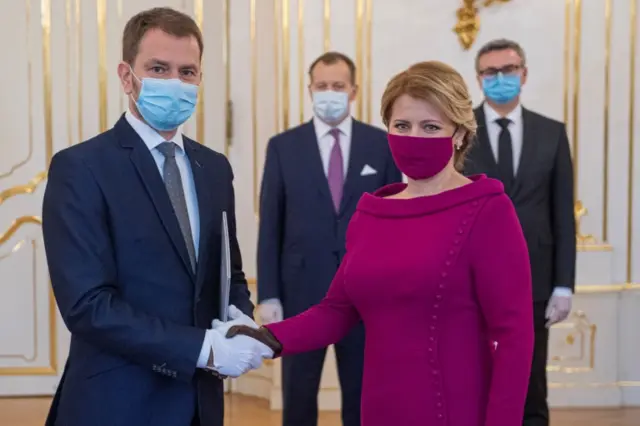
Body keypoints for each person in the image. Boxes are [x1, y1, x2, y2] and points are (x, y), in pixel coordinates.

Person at [227, 61, 535, 426]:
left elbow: (514, 336)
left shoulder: (487, 209)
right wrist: (267, 338)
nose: (414, 137)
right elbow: (337, 310)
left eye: (430, 126)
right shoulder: (373, 212)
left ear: (458, 134)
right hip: (380, 407)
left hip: (452, 409)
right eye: (402, 125)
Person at [42, 8, 268, 426]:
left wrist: (240, 317)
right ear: (127, 77)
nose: (175, 83)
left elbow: (229, 273)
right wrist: (203, 348)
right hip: (117, 402)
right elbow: (88, 305)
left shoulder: (214, 167)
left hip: (200, 402)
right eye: (159, 69)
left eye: (187, 72)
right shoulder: (81, 167)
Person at [256, 51, 402, 426]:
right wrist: (269, 294)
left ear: (354, 91)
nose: (330, 93)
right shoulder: (283, 147)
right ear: (310, 90)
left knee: (363, 392)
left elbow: (394, 222)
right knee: (299, 392)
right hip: (301, 293)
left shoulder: (380, 144)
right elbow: (271, 224)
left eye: (338, 86)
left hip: (365, 294)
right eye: (322, 86)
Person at [465, 39, 576, 426]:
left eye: (508, 70)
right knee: (474, 379)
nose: (500, 79)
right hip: (472, 281)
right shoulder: (460, 134)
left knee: (529, 383)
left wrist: (564, 285)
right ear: (478, 79)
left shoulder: (552, 133)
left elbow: (563, 213)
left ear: (524, 74)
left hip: (535, 281)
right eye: (490, 72)